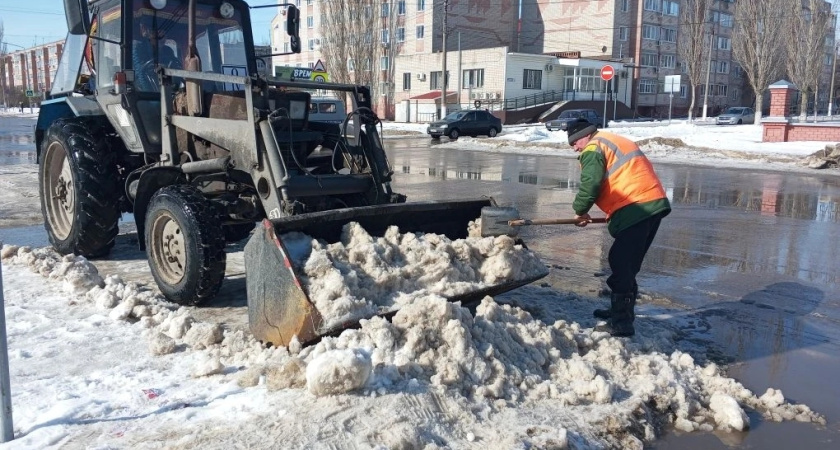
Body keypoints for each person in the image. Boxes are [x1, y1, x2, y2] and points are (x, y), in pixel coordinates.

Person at [565, 118, 671, 337]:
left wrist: (580, 210)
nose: (574, 148)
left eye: (574, 142)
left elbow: (590, 183)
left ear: (585, 135)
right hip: (651, 203)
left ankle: (621, 323)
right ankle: (620, 311)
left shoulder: (594, 148)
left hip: (636, 205)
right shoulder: (611, 140)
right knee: (629, 264)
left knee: (620, 261)